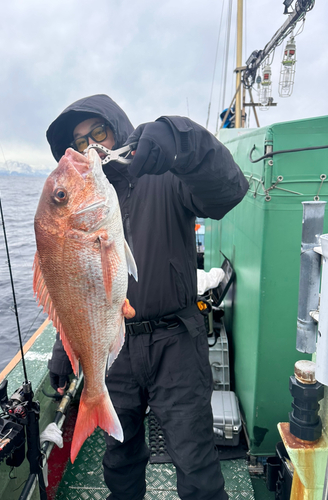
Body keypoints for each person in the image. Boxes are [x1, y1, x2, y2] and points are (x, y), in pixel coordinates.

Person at [46, 94, 249, 500]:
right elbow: (77, 289)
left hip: (176, 342)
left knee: (195, 459)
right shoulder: (85, 206)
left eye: (97, 132)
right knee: (119, 457)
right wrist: (60, 354)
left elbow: (229, 190)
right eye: (79, 141)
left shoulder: (170, 175)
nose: (90, 146)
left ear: (117, 129)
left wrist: (181, 139)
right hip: (115, 349)